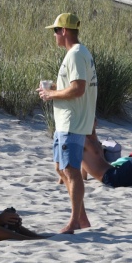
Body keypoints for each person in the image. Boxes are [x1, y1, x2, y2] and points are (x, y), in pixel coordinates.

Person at [38, 13, 98, 234]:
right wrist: (55, 88)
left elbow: (78, 89)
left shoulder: (75, 54)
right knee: (60, 168)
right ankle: (82, 218)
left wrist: (50, 94)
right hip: (67, 121)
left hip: (71, 122)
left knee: (71, 170)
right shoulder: (80, 53)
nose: (54, 35)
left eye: (55, 31)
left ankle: (74, 222)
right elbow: (78, 86)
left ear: (64, 31)